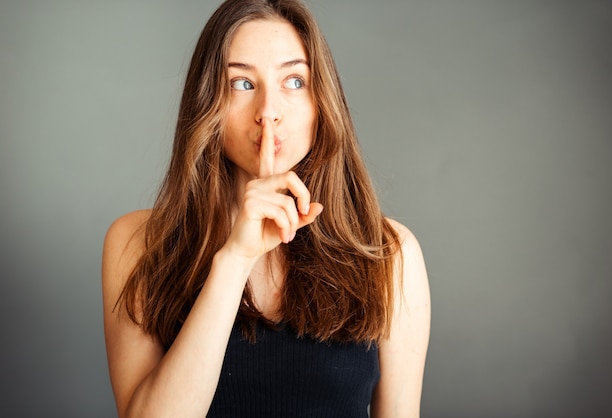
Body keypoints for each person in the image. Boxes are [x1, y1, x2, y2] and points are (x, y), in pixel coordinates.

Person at [102, 0, 430, 416]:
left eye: (294, 81)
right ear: (208, 104)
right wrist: (234, 259)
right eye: (242, 84)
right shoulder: (137, 242)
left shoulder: (389, 253)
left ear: (321, 102)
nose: (268, 112)